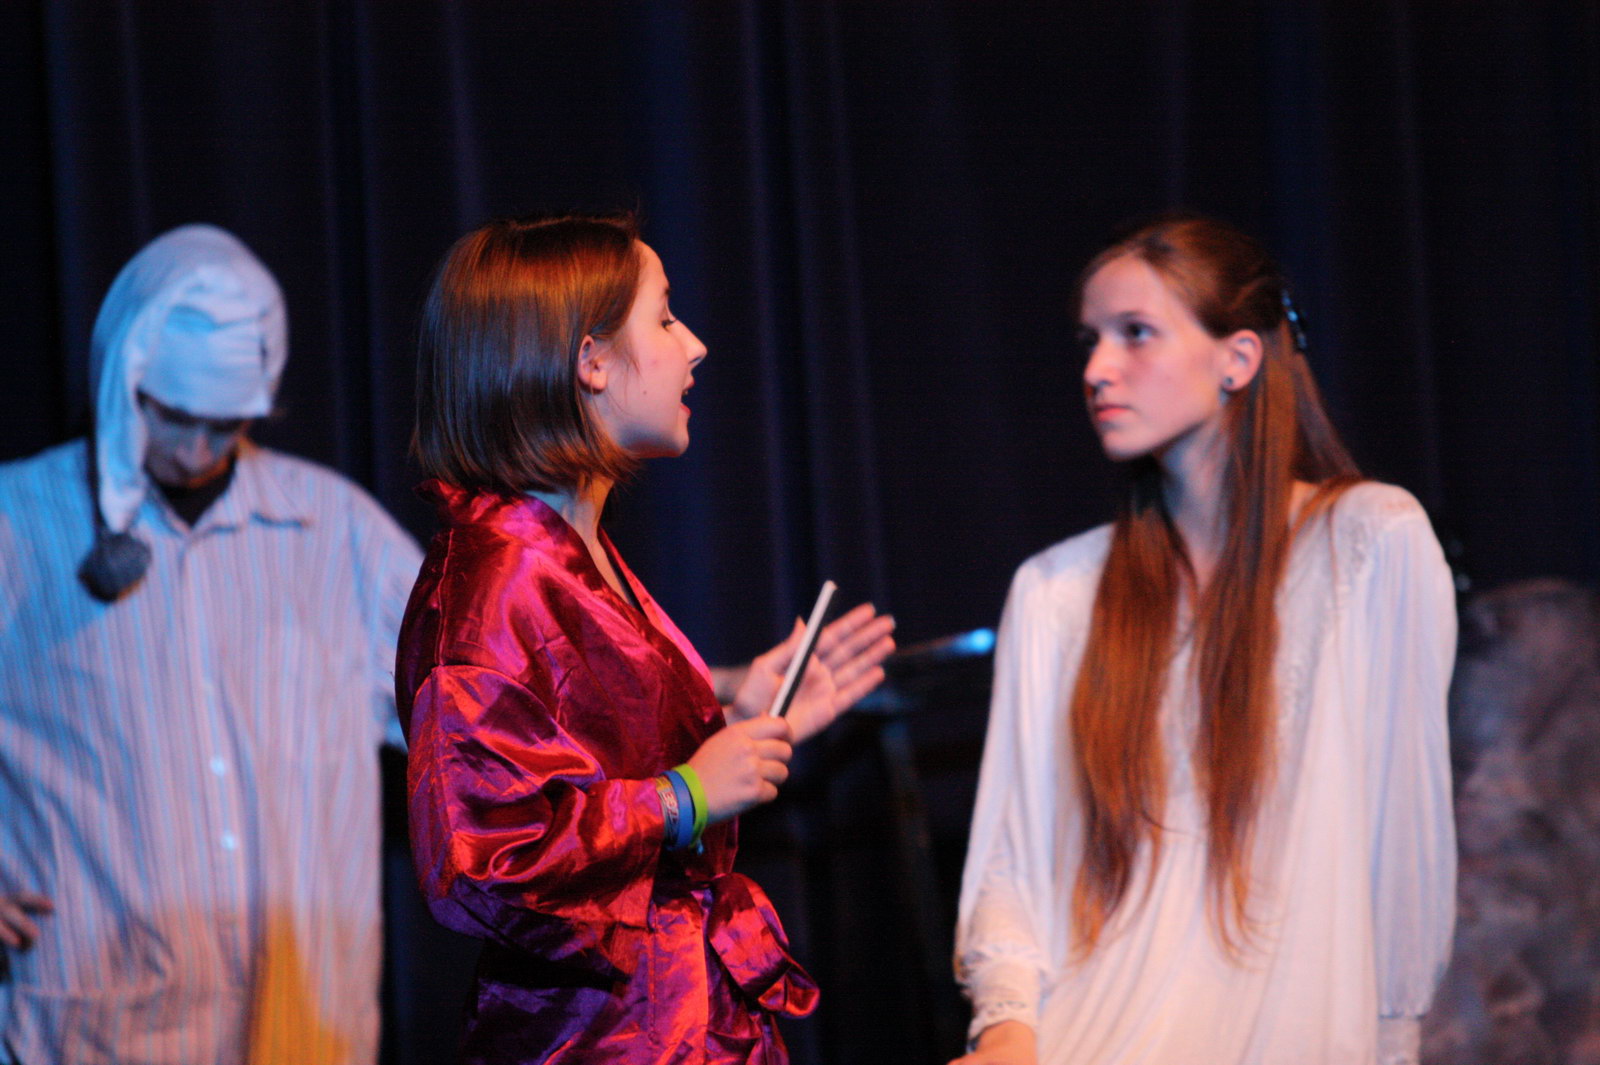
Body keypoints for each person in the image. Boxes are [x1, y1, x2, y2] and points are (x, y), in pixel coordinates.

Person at [952, 216, 1456, 1065]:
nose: (1097, 369)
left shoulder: (1370, 542)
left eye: (1135, 332)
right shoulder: (1056, 591)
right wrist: (1005, 1030)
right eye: (1090, 340)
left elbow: (1403, 840)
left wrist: (1392, 1043)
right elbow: (1013, 858)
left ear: (1239, 357)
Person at [398, 213, 895, 1064]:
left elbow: (584, 741)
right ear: (590, 360)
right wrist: (684, 796)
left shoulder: (568, 544)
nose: (694, 345)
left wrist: (735, 708)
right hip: (599, 1041)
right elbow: (479, 860)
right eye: (664, 319)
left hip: (672, 1020)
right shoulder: (491, 582)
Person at [0, 224, 423, 1065]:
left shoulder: (332, 528)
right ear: (124, 380)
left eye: (223, 424)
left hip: (298, 1026)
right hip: (97, 1023)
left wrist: (683, 717)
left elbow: (489, 702)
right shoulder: (17, 524)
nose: (195, 450)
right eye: (174, 417)